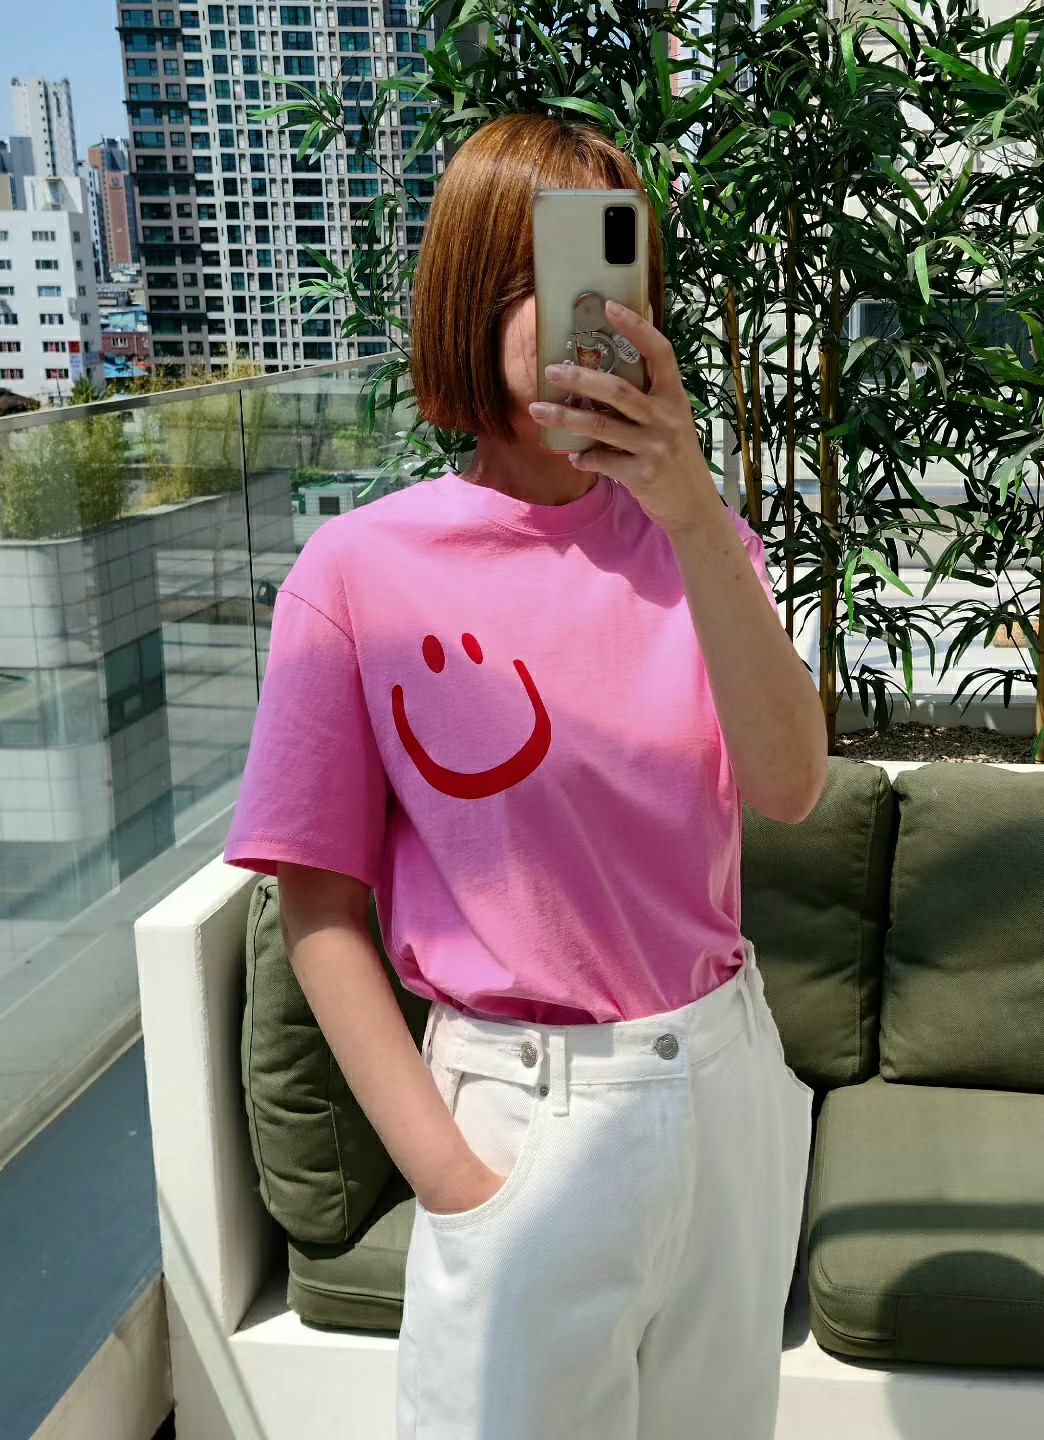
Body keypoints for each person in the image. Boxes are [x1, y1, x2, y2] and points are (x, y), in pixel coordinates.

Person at [223, 110, 825, 1440]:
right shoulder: (359, 574)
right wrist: (452, 1176)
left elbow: (789, 786)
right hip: (518, 1114)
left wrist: (691, 510)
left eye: (616, 276)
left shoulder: (700, 541)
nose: (591, 314)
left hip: (723, 1079)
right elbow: (315, 902)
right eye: (548, 275)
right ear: (469, 298)